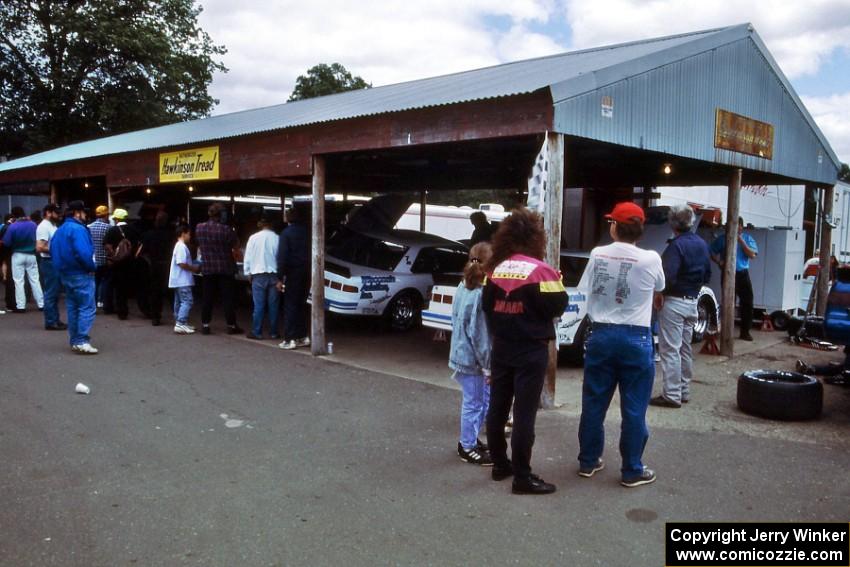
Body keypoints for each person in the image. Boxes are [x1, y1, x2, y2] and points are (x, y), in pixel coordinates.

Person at [576, 201, 665, 488]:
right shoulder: (651, 258)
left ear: (615, 226)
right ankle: (632, 469)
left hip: (600, 335)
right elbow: (660, 287)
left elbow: (583, 288)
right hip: (636, 338)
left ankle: (588, 462)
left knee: (593, 403)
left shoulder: (598, 253)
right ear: (639, 229)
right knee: (634, 408)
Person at [482, 207, 568, 495]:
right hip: (531, 350)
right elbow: (558, 306)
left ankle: (499, 465)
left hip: (502, 347)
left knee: (497, 407)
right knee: (524, 414)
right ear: (536, 238)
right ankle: (522, 476)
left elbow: (486, 308)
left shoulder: (493, 270)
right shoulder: (542, 272)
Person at [650, 205, 711, 409]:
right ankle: (684, 391)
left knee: (669, 350)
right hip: (692, 300)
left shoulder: (675, 246)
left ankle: (672, 394)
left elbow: (668, 277)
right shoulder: (702, 244)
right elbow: (708, 275)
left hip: (674, 301)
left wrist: (659, 294)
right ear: (691, 221)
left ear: (672, 223)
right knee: (685, 348)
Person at [450, 241, 494, 466]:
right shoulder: (481, 292)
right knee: (475, 403)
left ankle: (470, 441)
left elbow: (455, 317)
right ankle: (467, 446)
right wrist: (487, 364)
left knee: (476, 401)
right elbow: (480, 334)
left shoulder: (462, 285)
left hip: (460, 353)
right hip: (473, 360)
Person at [51, 201, 98, 354]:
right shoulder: (78, 229)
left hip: (65, 273)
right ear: (77, 213)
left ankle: (75, 340)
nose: (85, 215)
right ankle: (82, 340)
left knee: (73, 308)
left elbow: (53, 250)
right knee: (86, 307)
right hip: (81, 273)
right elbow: (84, 253)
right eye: (83, 212)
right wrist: (92, 267)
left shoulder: (60, 229)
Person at [196, 203, 242, 335]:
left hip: (208, 267)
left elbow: (199, 243)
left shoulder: (199, 228)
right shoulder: (227, 230)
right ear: (221, 215)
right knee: (228, 298)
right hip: (225, 268)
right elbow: (236, 245)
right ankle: (231, 325)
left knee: (207, 298)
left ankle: (205, 325)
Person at [710, 217, 758, 341]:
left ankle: (745, 331)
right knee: (728, 302)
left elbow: (752, 255)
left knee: (747, 302)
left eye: (738, 226)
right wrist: (718, 261)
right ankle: (725, 330)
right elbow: (711, 250)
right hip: (727, 273)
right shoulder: (722, 239)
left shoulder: (748, 239)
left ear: (741, 227)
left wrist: (741, 241)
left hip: (742, 273)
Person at [277, 207, 311, 350]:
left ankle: (289, 339)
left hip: (292, 273)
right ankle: (303, 336)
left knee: (290, 305)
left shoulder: (286, 233)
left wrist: (279, 277)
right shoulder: (307, 232)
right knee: (302, 304)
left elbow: (282, 257)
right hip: (307, 272)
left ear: (288, 218)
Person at [243, 212, 280, 340]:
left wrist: (247, 272)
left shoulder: (253, 238)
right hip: (274, 275)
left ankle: (257, 331)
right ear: (271, 224)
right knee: (273, 306)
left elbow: (248, 257)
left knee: (259, 305)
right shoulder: (277, 238)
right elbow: (280, 258)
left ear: (261, 224)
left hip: (257, 275)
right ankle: (274, 332)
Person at [2, 206, 44, 313]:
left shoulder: (13, 227)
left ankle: (21, 306)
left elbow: (7, 242)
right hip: (31, 254)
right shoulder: (33, 224)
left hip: (17, 255)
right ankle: (41, 304)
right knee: (35, 279)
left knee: (19, 281)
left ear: (13, 215)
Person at [137, 211, 173, 326]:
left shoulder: (148, 234)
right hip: (168, 265)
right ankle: (178, 316)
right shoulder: (171, 235)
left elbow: (140, 253)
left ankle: (155, 316)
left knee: (155, 292)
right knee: (171, 291)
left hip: (154, 265)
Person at [103, 208, 140, 320]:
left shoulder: (112, 230)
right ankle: (141, 307)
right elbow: (140, 244)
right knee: (131, 285)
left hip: (118, 263)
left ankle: (122, 312)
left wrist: (114, 255)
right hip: (131, 261)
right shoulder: (134, 230)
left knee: (119, 288)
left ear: (117, 219)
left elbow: (106, 245)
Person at [36, 203, 67, 331]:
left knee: (55, 293)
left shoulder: (52, 225)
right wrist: (57, 250)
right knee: (51, 292)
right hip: (49, 261)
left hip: (53, 261)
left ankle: (55, 319)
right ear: (48, 213)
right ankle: (50, 321)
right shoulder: (43, 227)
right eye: (56, 212)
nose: (58, 215)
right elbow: (40, 247)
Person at [169, 225, 199, 334]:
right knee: (187, 301)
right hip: (182, 280)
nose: (190, 236)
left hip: (177, 280)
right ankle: (180, 323)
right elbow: (182, 263)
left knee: (179, 302)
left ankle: (181, 322)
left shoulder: (178, 246)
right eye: (189, 234)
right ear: (183, 233)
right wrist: (194, 268)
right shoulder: (181, 246)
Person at [88, 205, 112, 310]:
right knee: (105, 281)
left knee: (94, 282)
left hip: (93, 259)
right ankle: (103, 302)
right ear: (105, 215)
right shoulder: (109, 228)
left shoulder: (89, 227)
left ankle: (93, 304)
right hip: (105, 259)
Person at [1, 213, 16, 311]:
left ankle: (4, 276)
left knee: (4, 265)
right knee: (11, 279)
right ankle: (10, 303)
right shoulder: (10, 228)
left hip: (3, 253)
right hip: (10, 253)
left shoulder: (3, 227)